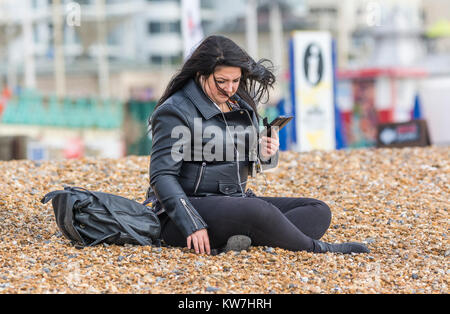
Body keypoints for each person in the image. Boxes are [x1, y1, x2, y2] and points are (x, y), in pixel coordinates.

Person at [147, 35, 369, 255]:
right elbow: (162, 176)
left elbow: (242, 161)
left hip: (236, 202)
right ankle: (318, 249)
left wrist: (263, 152)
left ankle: (242, 240)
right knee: (257, 211)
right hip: (183, 213)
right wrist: (192, 223)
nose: (230, 88)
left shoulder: (238, 104)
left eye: (236, 81)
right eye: (221, 81)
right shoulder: (175, 111)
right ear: (200, 74)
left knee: (318, 211)